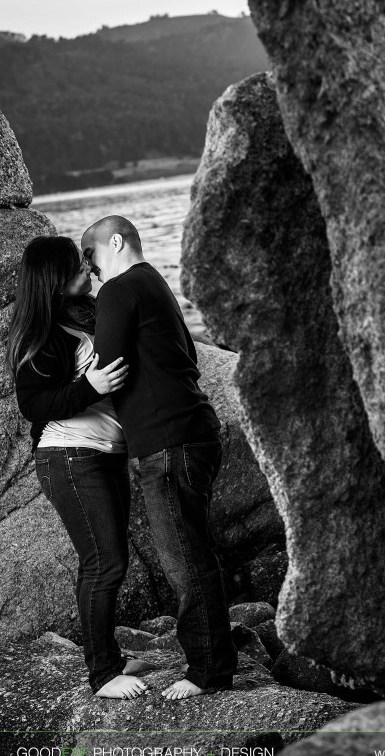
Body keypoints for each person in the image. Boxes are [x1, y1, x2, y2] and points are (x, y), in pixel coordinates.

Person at [81, 215, 238, 700]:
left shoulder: (120, 288)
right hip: (196, 432)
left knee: (184, 562)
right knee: (196, 551)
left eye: (92, 259)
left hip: (167, 443)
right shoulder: (156, 283)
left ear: (115, 241)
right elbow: (189, 355)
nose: (92, 272)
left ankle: (207, 671)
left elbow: (105, 361)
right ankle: (214, 657)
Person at [7, 235, 153, 699]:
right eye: (77, 264)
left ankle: (106, 655)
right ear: (54, 275)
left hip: (106, 452)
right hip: (69, 455)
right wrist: (89, 386)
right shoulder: (41, 333)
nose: (87, 270)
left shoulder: (87, 313)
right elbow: (34, 405)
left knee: (111, 560)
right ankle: (104, 675)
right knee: (104, 562)